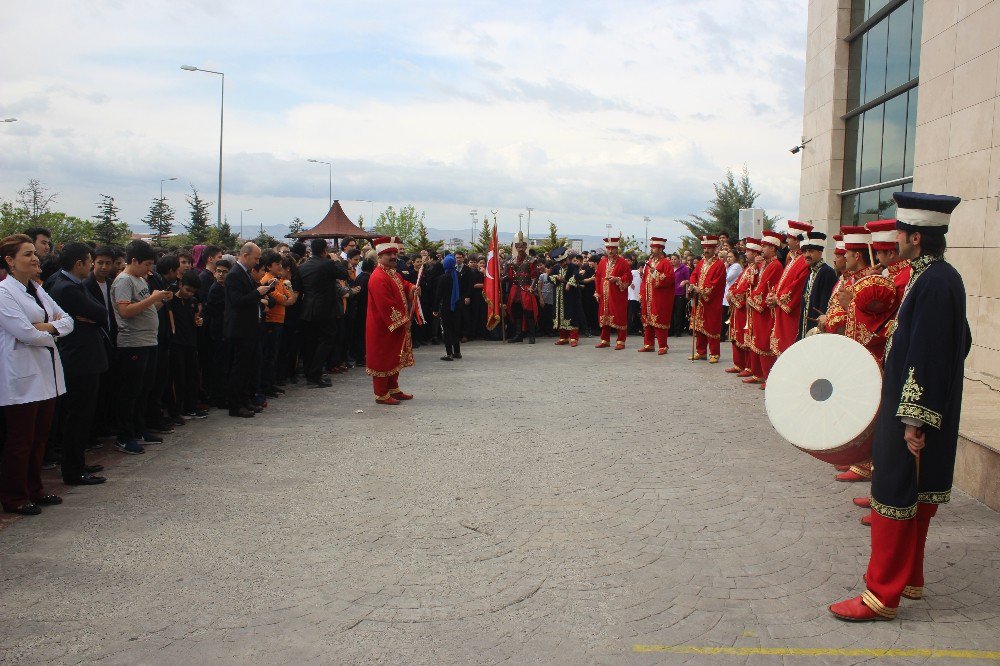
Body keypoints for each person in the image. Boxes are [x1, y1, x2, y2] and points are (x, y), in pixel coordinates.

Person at [830, 192, 971, 622]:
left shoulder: (932, 281)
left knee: (894, 496)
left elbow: (930, 351)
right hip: (920, 408)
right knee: (914, 498)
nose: (895, 241)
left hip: (911, 413)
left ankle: (880, 596)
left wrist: (915, 416)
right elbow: (959, 342)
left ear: (914, 237)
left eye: (900, 233)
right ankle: (911, 579)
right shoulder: (936, 277)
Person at [0, 234, 74, 515]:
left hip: (45, 374)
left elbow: (66, 320)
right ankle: (14, 496)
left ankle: (35, 489)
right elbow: (25, 334)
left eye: (35, 253)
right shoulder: (4, 293)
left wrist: (46, 327)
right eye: (27, 254)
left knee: (40, 437)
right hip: (20, 375)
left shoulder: (37, 289)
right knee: (20, 441)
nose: (35, 258)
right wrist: (49, 328)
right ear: (9, 260)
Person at [46, 243, 109, 486]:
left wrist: (88, 318)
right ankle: (73, 470)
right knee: (78, 416)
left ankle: (78, 461)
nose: (93, 266)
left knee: (81, 415)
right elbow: (101, 313)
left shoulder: (64, 283)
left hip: (81, 355)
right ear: (79, 264)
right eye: (90, 261)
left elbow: (93, 315)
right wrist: (89, 318)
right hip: (80, 359)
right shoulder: (67, 288)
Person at [112, 240, 173, 453]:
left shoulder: (140, 280)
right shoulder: (123, 281)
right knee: (130, 392)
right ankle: (124, 435)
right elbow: (126, 312)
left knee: (144, 389)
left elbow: (146, 310)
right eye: (147, 265)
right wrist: (152, 299)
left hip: (148, 341)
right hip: (132, 344)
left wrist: (161, 300)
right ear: (134, 260)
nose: (149, 270)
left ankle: (139, 428)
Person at [366, 237, 420, 404]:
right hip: (383, 326)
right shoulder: (378, 277)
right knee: (383, 358)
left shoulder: (391, 273)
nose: (393, 256)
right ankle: (381, 394)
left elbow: (403, 284)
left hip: (392, 326)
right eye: (389, 253)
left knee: (394, 356)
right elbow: (386, 304)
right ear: (380, 256)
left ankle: (393, 388)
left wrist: (412, 287)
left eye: (394, 253)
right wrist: (402, 320)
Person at [224, 242, 270, 417]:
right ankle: (235, 405)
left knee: (249, 367)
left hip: (250, 328)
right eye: (255, 258)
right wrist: (257, 292)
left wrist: (261, 292)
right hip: (239, 329)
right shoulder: (234, 275)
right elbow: (237, 301)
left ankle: (245, 400)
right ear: (245, 256)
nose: (256, 262)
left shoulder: (246, 274)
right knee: (239, 368)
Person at [298, 238, 350, 388]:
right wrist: (335, 260)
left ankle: (311, 374)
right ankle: (315, 375)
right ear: (324, 250)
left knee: (311, 342)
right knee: (327, 339)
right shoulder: (327, 264)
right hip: (325, 309)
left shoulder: (303, 266)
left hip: (307, 308)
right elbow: (344, 274)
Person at [767, 221, 813, 358]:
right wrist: (773, 293)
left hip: (791, 312)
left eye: (789, 238)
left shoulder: (802, 261)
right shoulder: (793, 259)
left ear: (798, 241)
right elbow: (783, 281)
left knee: (788, 345)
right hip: (781, 309)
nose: (786, 240)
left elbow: (796, 287)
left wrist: (777, 298)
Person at [744, 231, 783, 387]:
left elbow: (766, 288)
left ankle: (768, 376)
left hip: (766, 310)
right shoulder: (766, 264)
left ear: (773, 248)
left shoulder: (776, 265)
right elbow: (755, 282)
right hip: (758, 308)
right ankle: (758, 373)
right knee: (757, 340)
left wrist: (751, 299)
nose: (762, 249)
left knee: (764, 342)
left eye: (765, 246)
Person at [725, 238, 761, 375]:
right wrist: (731, 291)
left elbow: (748, 288)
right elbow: (738, 283)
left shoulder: (754, 269)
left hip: (744, 307)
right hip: (737, 306)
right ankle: (738, 363)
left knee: (744, 337)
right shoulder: (747, 268)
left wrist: (733, 295)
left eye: (748, 252)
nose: (745, 254)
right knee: (736, 335)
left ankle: (748, 366)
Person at [687, 235, 726, 362]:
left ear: (715, 249)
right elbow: (694, 275)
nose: (706, 251)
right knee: (699, 327)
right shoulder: (701, 263)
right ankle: (701, 351)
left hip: (712, 301)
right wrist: (693, 285)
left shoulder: (719, 265)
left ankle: (714, 353)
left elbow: (716, 283)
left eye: (709, 248)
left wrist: (702, 290)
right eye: (704, 248)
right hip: (700, 301)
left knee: (711, 326)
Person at [638, 237, 675, 355]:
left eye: (654, 248)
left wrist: (655, 273)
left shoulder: (666, 263)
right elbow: (644, 280)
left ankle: (663, 346)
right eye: (652, 247)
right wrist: (641, 293)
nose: (652, 250)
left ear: (660, 249)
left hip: (659, 297)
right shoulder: (649, 262)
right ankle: (648, 344)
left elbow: (669, 279)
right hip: (648, 296)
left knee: (659, 320)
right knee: (647, 320)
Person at [594, 237, 631, 349]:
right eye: (608, 248)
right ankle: (605, 339)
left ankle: (621, 341)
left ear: (617, 249)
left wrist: (617, 279)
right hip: (604, 294)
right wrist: (597, 291)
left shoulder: (623, 262)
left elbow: (628, 277)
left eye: (613, 248)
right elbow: (598, 277)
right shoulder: (603, 261)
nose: (610, 251)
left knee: (619, 316)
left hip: (617, 295)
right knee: (605, 317)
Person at [798, 232, 837, 339]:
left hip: (818, 330)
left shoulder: (827, 272)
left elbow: (825, 306)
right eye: (805, 251)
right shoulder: (811, 272)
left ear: (820, 252)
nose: (806, 255)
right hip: (807, 329)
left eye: (811, 251)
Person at [204, 259, 231, 408]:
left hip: (225, 330)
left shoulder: (225, 287)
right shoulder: (215, 289)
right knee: (219, 366)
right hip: (218, 332)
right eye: (219, 271)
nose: (221, 275)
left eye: (224, 272)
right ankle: (219, 397)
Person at [505, 232, 540, 344]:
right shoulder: (511, 261)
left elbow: (535, 276)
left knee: (529, 312)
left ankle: (532, 336)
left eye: (522, 246)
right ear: (515, 247)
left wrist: (531, 287)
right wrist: (500, 278)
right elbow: (509, 276)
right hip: (515, 290)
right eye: (518, 246)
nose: (520, 248)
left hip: (526, 289)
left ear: (526, 247)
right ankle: (518, 335)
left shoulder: (531, 260)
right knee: (517, 313)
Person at [550, 249, 586, 347]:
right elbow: (550, 277)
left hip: (571, 297)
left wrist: (569, 283)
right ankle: (563, 337)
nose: (562, 264)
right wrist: (556, 278)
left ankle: (574, 338)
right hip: (558, 296)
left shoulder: (573, 266)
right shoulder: (556, 268)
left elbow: (576, 276)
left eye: (563, 261)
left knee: (572, 315)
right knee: (560, 317)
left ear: (566, 259)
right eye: (560, 262)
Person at [434, 254, 463, 361]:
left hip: (446, 307)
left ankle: (449, 353)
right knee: (456, 329)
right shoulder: (458, 275)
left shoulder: (443, 278)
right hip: (458, 307)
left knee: (447, 330)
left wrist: (435, 309)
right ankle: (457, 351)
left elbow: (438, 295)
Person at [670, 253, 690, 336]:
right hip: (670, 293)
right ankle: (670, 330)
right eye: (672, 259)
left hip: (680, 293)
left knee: (678, 313)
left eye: (675, 259)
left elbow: (688, 279)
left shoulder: (684, 268)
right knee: (671, 312)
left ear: (679, 260)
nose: (673, 261)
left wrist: (684, 282)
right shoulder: (670, 268)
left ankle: (678, 331)